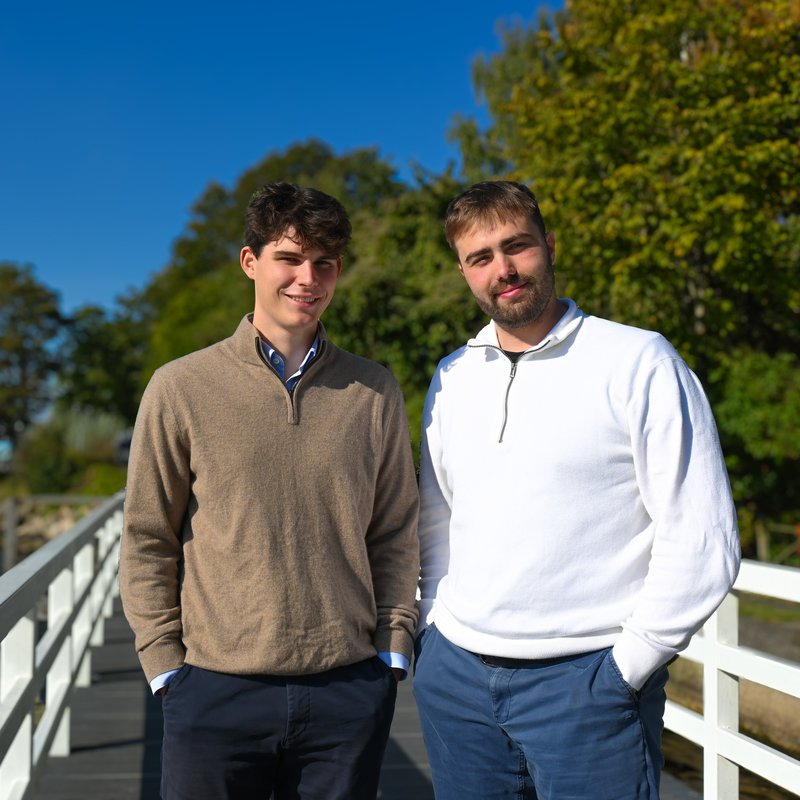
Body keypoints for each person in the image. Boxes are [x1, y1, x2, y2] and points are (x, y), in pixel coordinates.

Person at [413, 180, 741, 800]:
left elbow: (703, 538)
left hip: (587, 684)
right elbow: (437, 520)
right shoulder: (452, 377)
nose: (503, 270)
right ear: (463, 272)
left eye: (517, 247)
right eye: (480, 258)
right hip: (457, 682)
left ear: (549, 245)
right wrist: (433, 636)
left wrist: (626, 669)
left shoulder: (638, 360)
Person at [119, 182, 420, 800]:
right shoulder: (180, 388)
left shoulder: (373, 391)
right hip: (211, 691)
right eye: (289, 257)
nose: (307, 278)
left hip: (347, 692)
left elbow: (394, 529)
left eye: (324, 263)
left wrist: (393, 646)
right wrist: (164, 665)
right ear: (250, 261)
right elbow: (148, 536)